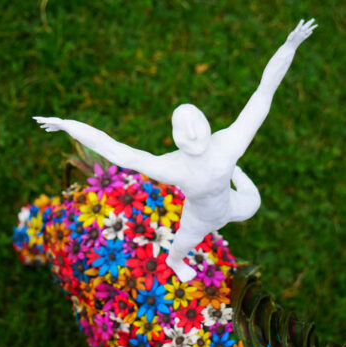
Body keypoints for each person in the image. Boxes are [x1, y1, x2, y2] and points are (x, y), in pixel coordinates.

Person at [34, 19, 317, 281]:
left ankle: (237, 173)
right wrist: (68, 125)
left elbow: (263, 94)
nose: (193, 135)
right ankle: (175, 262)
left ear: (207, 124)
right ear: (175, 136)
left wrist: (289, 46)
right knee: (181, 246)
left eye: (196, 125)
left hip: (230, 205)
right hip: (198, 218)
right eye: (184, 130)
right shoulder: (173, 167)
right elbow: (116, 151)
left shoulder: (229, 143)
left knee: (252, 204)